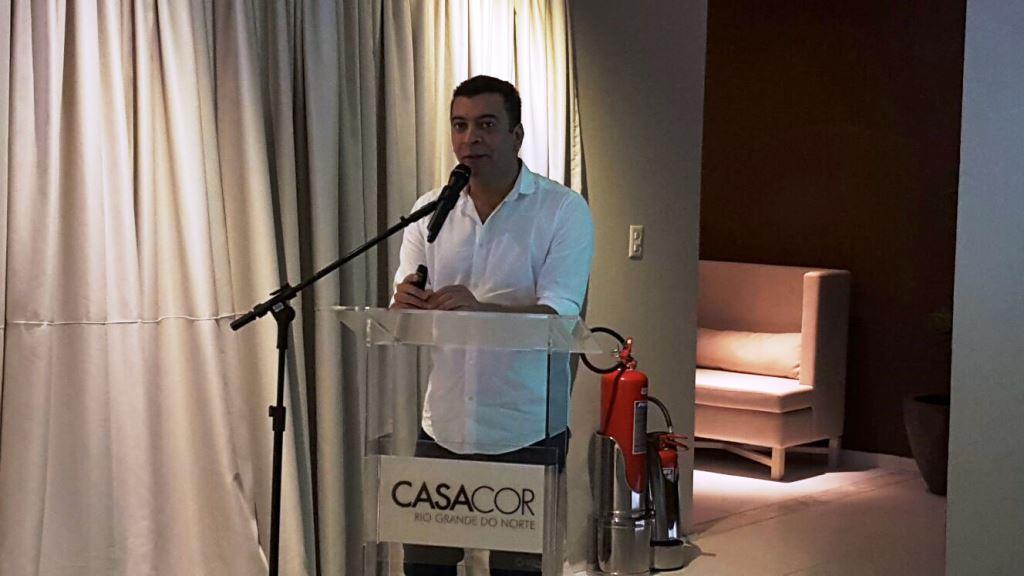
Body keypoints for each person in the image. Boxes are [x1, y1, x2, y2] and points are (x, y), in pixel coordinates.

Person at [391, 75, 594, 576]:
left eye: (485, 125)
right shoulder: (429, 210)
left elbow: (560, 319)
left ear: (516, 135)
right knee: (424, 569)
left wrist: (479, 308)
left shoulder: (561, 210)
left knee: (517, 572)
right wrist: (404, 303)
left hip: (525, 429)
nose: (470, 139)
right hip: (444, 425)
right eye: (459, 126)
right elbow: (402, 314)